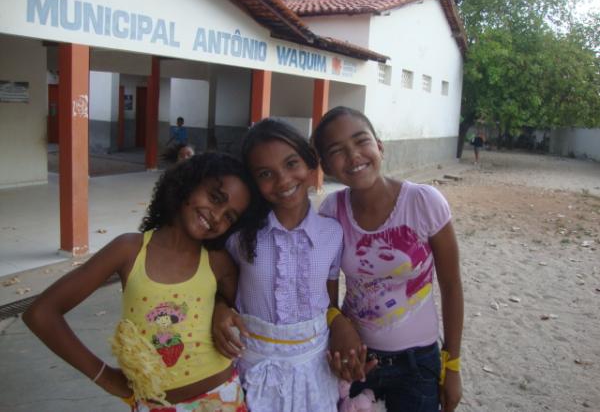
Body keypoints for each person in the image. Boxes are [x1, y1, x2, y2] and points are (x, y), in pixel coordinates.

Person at [23, 152, 261, 411]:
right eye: (215, 198)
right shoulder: (129, 250)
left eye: (230, 217)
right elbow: (41, 313)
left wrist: (221, 308)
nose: (217, 216)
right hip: (153, 405)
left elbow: (238, 307)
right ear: (188, 183)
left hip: (222, 399)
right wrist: (104, 376)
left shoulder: (218, 262)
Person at [312, 106, 464, 412]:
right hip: (358, 361)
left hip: (417, 365)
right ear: (326, 166)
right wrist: (336, 324)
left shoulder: (424, 202)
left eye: (361, 141)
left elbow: (451, 285)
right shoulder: (331, 210)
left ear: (379, 146)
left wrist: (453, 366)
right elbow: (323, 289)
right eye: (337, 151)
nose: (353, 155)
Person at [211, 119, 369, 412]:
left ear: (310, 164)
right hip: (253, 369)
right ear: (253, 182)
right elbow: (218, 287)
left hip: (315, 370)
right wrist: (220, 308)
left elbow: (329, 303)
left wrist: (339, 324)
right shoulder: (239, 236)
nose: (283, 180)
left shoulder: (332, 233)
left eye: (291, 163)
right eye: (265, 174)